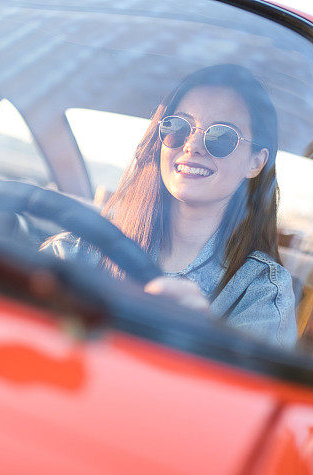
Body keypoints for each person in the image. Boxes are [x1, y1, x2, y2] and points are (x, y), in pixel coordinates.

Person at [47, 64, 298, 349]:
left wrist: (198, 337)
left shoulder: (261, 292)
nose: (192, 146)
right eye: (178, 127)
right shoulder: (83, 248)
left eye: (222, 136)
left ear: (256, 162)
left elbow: (248, 388)